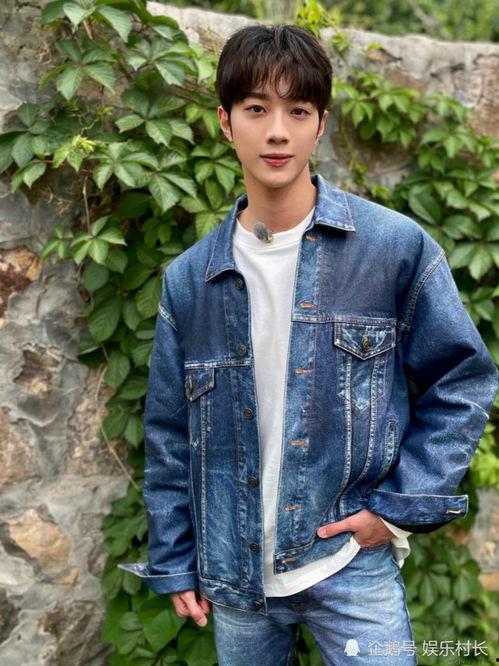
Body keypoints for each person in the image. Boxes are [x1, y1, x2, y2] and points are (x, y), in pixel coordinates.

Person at [118, 24, 499, 665]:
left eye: (298, 111)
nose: (277, 132)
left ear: (320, 124)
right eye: (256, 109)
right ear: (225, 121)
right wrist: (175, 558)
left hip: (349, 562)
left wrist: (394, 510)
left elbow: (461, 380)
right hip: (235, 575)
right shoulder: (189, 280)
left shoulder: (393, 249)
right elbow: (169, 433)